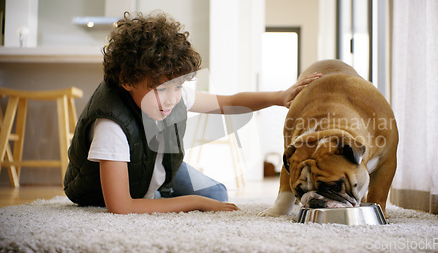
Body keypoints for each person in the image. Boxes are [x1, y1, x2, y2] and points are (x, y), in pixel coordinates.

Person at [63, 11, 322, 214]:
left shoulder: (172, 94)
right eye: (160, 89)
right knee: (201, 201)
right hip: (103, 189)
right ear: (127, 80)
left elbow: (228, 102)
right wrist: (193, 202)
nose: (172, 98)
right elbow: (121, 207)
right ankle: (160, 197)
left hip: (156, 169)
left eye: (178, 86)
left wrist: (279, 97)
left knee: (218, 195)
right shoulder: (111, 125)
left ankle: (160, 195)